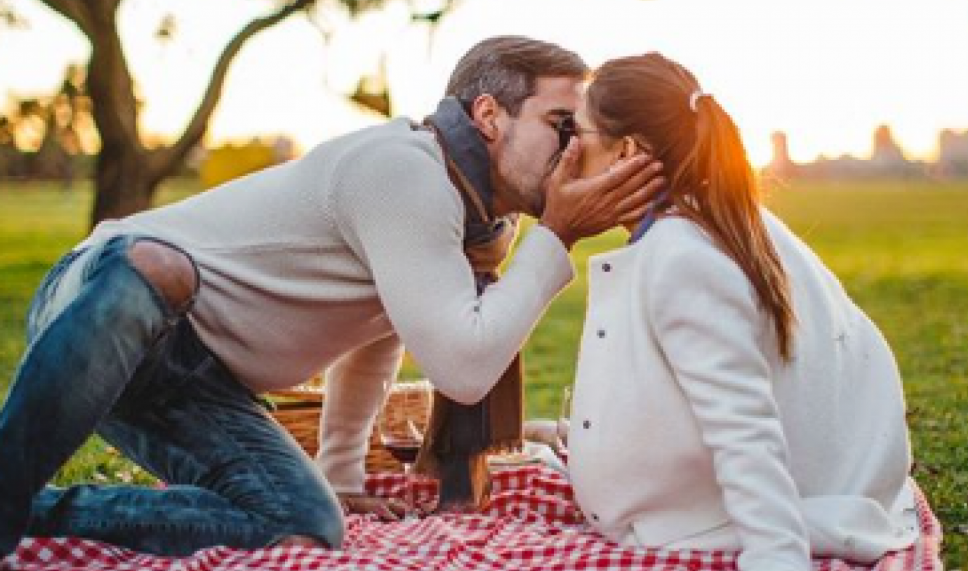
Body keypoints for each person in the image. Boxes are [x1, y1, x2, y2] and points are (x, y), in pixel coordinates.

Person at [0, 36, 663, 558]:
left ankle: (27, 510)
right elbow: (464, 368)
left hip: (198, 380)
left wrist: (341, 474)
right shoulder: (407, 170)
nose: (574, 153)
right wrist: (559, 236)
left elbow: (378, 332)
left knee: (305, 522)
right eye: (561, 126)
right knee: (156, 268)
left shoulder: (481, 223)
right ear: (489, 116)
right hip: (106, 298)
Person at [564, 53, 919, 571]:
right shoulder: (731, 221)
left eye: (577, 133)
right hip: (826, 485)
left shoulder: (680, 257)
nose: (569, 152)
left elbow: (743, 429)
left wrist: (777, 557)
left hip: (690, 525)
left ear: (628, 152)